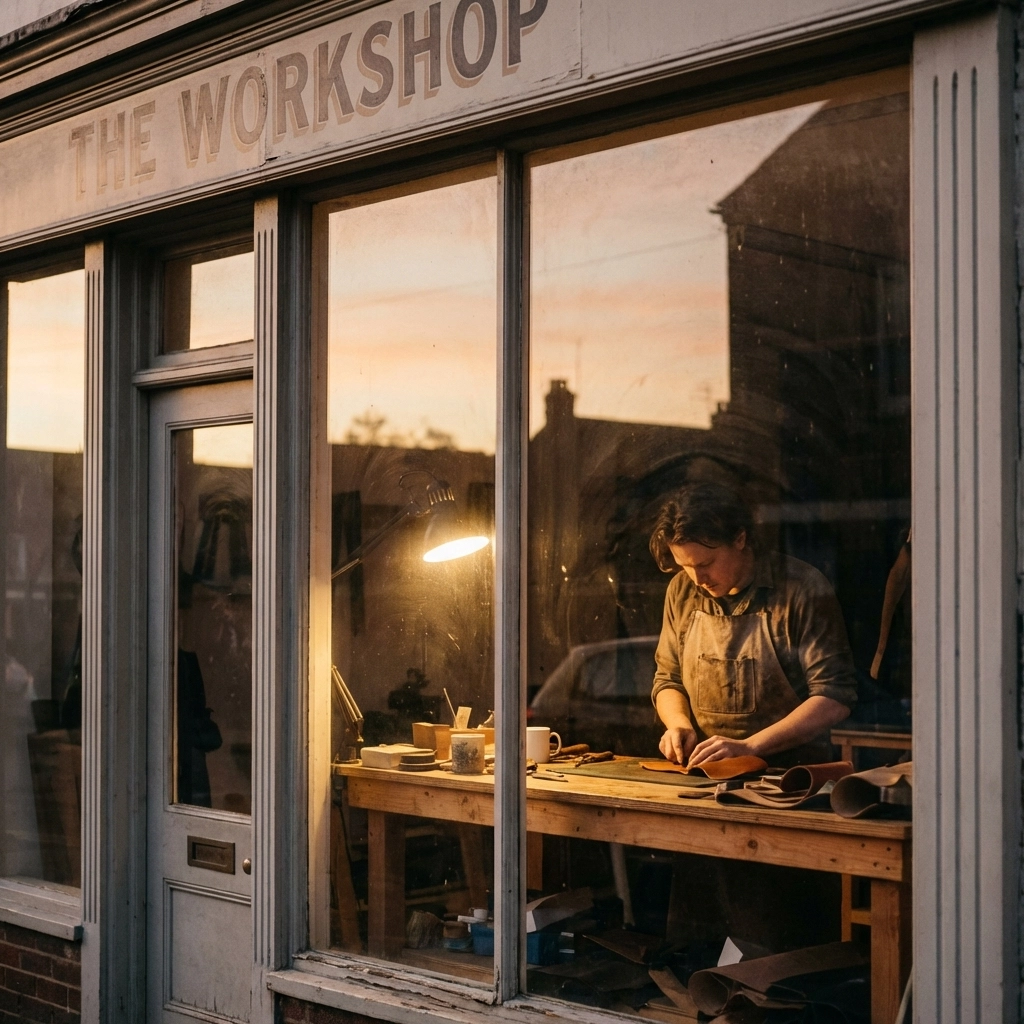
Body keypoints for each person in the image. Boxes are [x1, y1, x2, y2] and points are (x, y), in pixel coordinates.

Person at [650, 482, 856, 768]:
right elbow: (668, 679)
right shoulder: (681, 591)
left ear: (740, 539)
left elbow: (834, 698)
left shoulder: (802, 588)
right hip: (705, 773)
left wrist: (749, 747)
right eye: (685, 565)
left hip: (790, 776)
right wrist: (678, 724)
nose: (697, 578)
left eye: (706, 563)